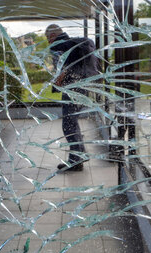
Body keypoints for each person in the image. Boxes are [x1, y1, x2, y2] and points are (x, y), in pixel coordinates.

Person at [45, 24, 99, 172]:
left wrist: (57, 80)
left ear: (52, 36)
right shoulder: (77, 43)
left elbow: (61, 70)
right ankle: (79, 156)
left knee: (68, 123)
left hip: (72, 87)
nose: (48, 41)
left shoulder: (58, 45)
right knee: (72, 121)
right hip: (84, 86)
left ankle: (76, 160)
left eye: (47, 38)